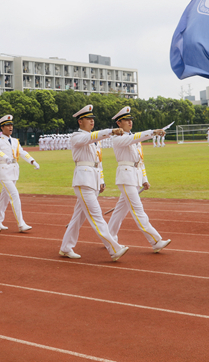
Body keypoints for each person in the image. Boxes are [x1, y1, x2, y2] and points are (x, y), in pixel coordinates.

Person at [59, 105, 128, 261]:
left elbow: (98, 162)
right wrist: (110, 131)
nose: (92, 121)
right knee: (97, 216)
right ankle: (114, 248)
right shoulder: (77, 136)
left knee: (78, 218)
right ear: (80, 121)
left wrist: (101, 180)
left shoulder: (96, 139)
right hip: (83, 181)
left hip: (93, 180)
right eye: (88, 119)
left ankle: (65, 247)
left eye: (92, 119)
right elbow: (89, 138)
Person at [107, 106, 171, 252]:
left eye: (130, 120)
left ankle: (109, 236)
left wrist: (144, 178)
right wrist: (153, 132)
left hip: (134, 176)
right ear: (119, 123)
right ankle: (155, 241)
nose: (130, 122)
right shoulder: (118, 139)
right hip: (126, 176)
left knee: (119, 211)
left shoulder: (134, 138)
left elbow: (139, 161)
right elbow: (132, 139)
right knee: (138, 210)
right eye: (126, 120)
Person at [0, 115, 39, 232]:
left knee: (5, 198)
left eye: (11, 125)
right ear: (2, 128)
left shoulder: (14, 141)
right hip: (4, 170)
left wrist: (32, 161)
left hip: (13, 170)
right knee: (14, 195)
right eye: (7, 125)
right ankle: (21, 224)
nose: (10, 127)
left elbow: (22, 152)